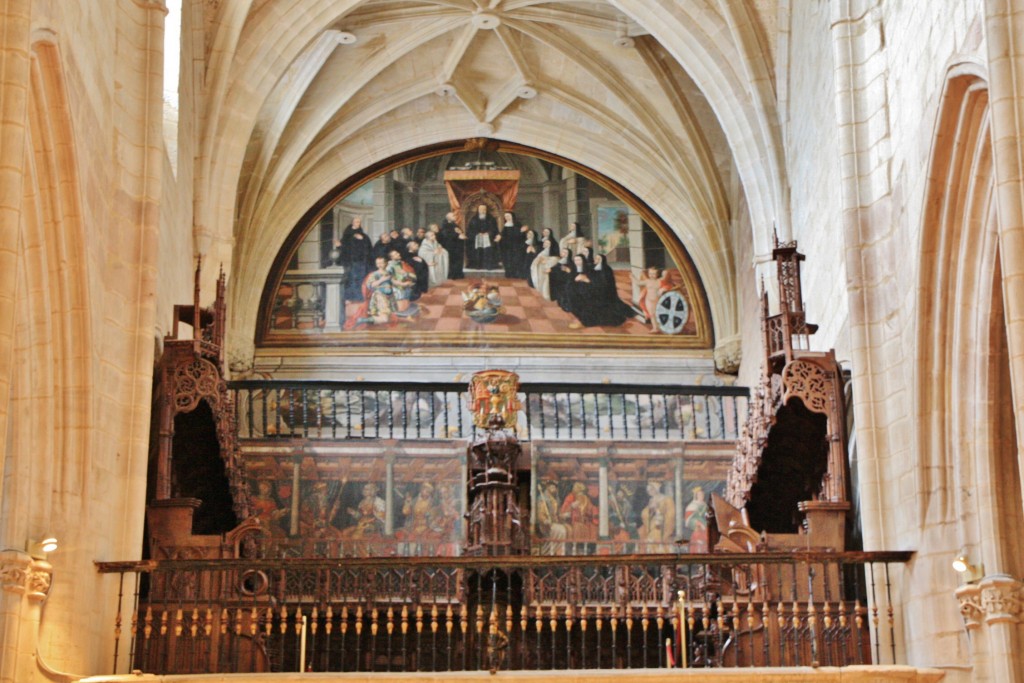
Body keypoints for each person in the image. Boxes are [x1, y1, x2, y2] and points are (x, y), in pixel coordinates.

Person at [348, 256, 394, 326]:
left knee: (387, 317)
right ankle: (362, 320)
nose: (380, 265)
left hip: (389, 296)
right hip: (380, 296)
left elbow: (392, 282)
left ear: (386, 263)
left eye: (381, 263)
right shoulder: (374, 274)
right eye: (378, 263)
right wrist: (382, 280)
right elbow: (371, 285)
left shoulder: (389, 273)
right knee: (385, 319)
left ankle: (364, 320)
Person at [559, 481, 599, 553]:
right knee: (577, 527)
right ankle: (576, 548)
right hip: (573, 522)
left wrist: (592, 512)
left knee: (593, 528)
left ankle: (590, 549)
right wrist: (571, 507)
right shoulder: (570, 498)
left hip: (586, 522)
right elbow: (563, 512)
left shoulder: (586, 499)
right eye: (579, 493)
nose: (581, 496)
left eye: (582, 493)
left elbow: (591, 509)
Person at [339, 216, 372, 302]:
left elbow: (369, 248)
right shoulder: (347, 236)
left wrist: (362, 240)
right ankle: (349, 298)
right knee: (350, 279)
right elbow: (344, 248)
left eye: (359, 222)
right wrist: (339, 246)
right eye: (356, 222)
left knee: (361, 279)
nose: (358, 223)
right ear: (352, 223)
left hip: (361, 262)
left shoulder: (364, 236)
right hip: (350, 262)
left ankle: (360, 298)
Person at [632, 266, 673, 332]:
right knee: (652, 315)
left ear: (657, 274)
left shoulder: (659, 281)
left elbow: (665, 277)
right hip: (649, 301)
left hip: (657, 301)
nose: (652, 275)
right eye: (650, 274)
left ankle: (660, 326)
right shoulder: (647, 281)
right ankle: (655, 328)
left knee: (659, 314)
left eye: (654, 274)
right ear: (648, 274)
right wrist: (632, 277)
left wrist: (665, 272)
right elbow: (638, 283)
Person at [641, 480, 676, 552]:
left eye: (652, 489)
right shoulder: (651, 501)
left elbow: (671, 515)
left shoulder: (667, 499)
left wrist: (658, 510)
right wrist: (650, 509)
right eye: (649, 490)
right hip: (652, 529)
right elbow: (644, 514)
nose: (650, 492)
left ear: (656, 489)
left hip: (663, 528)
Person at [536, 481, 569, 555]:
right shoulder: (543, 499)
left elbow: (557, 514)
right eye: (552, 487)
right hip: (545, 525)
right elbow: (540, 514)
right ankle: (548, 551)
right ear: (548, 487)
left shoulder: (555, 499)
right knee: (561, 530)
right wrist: (545, 520)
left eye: (554, 487)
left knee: (566, 528)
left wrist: (564, 515)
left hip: (554, 522)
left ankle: (558, 550)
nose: (554, 489)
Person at [466, 204, 499, 269]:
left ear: (486, 210)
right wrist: (477, 233)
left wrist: (488, 233)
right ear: (478, 210)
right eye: (481, 209)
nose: (482, 211)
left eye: (484, 209)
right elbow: (470, 230)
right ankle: (477, 265)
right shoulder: (473, 219)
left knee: (489, 249)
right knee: (476, 249)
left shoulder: (491, 219)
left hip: (489, 238)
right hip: (476, 239)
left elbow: (494, 229)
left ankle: (488, 265)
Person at [387, 248, 417, 313]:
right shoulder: (390, 266)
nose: (398, 254)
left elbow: (412, 275)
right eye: (396, 254)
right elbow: (390, 279)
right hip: (398, 288)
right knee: (401, 308)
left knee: (406, 305)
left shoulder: (402, 263)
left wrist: (406, 275)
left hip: (407, 286)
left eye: (397, 253)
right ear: (392, 258)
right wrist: (402, 284)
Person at [437, 211, 466, 279]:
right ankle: (452, 275)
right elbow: (446, 235)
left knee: (458, 261)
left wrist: (461, 234)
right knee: (452, 261)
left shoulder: (455, 225)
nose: (455, 217)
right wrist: (457, 236)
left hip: (457, 246)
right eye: (453, 216)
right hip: (450, 247)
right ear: (448, 218)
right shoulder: (445, 226)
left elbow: (459, 232)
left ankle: (458, 274)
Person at [684, 486, 709, 553]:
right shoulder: (692, 506)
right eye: (700, 494)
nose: (701, 496)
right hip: (698, 529)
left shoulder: (705, 505)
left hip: (707, 529)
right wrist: (699, 523)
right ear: (696, 496)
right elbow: (689, 520)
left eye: (702, 494)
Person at [498, 211, 520, 277]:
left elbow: (518, 234)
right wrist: (500, 236)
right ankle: (508, 273)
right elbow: (503, 234)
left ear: (512, 216)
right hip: (506, 245)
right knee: (507, 259)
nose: (507, 218)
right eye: (505, 216)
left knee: (514, 259)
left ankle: (514, 274)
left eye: (508, 216)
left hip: (514, 245)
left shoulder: (517, 224)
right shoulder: (505, 225)